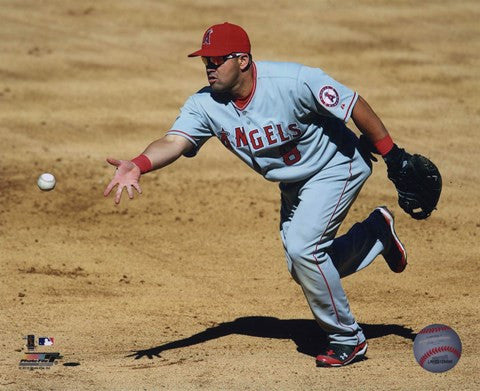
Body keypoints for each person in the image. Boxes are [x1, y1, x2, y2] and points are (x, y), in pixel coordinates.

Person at [104, 22, 408, 367]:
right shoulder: (205, 105)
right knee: (303, 266)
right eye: (206, 61)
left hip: (337, 166)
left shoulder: (292, 82)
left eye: (217, 60)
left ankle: (347, 340)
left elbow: (352, 103)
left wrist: (392, 154)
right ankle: (374, 234)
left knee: (304, 249)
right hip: (294, 184)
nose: (209, 68)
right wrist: (139, 164)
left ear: (243, 60)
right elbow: (174, 141)